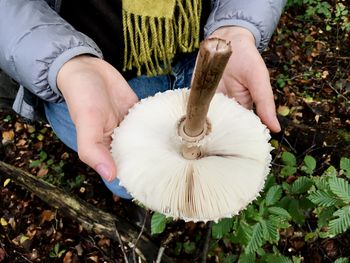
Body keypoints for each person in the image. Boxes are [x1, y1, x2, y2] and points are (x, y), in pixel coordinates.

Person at [0, 0, 285, 198]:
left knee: (197, 173)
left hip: (203, 60)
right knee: (127, 179)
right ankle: (143, 203)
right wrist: (62, 62)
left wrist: (238, 24)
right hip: (91, 81)